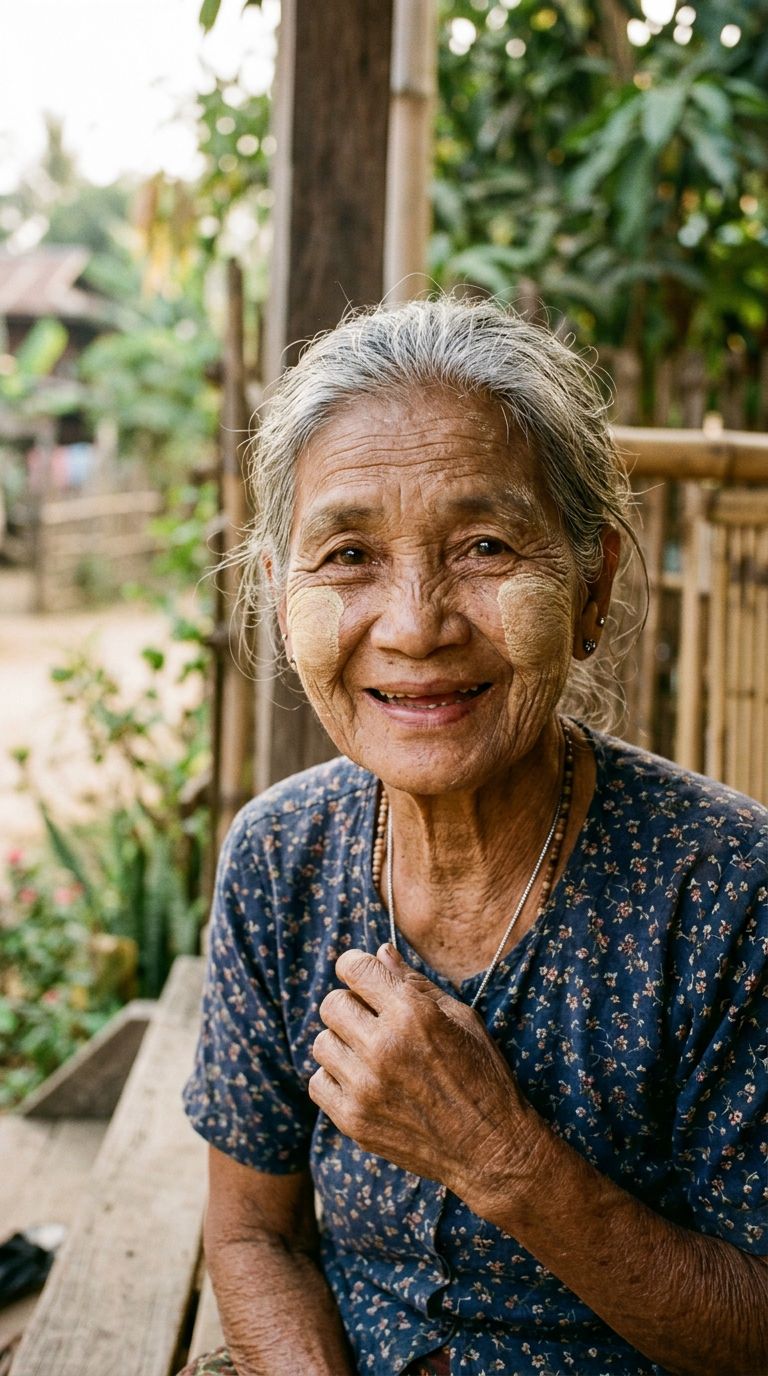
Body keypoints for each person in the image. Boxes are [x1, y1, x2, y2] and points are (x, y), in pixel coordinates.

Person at [180, 298, 767, 1376]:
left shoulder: (728, 891)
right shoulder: (278, 860)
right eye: (349, 553)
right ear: (277, 592)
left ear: (592, 585)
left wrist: (499, 1155)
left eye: (485, 546)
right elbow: (253, 1231)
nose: (414, 623)